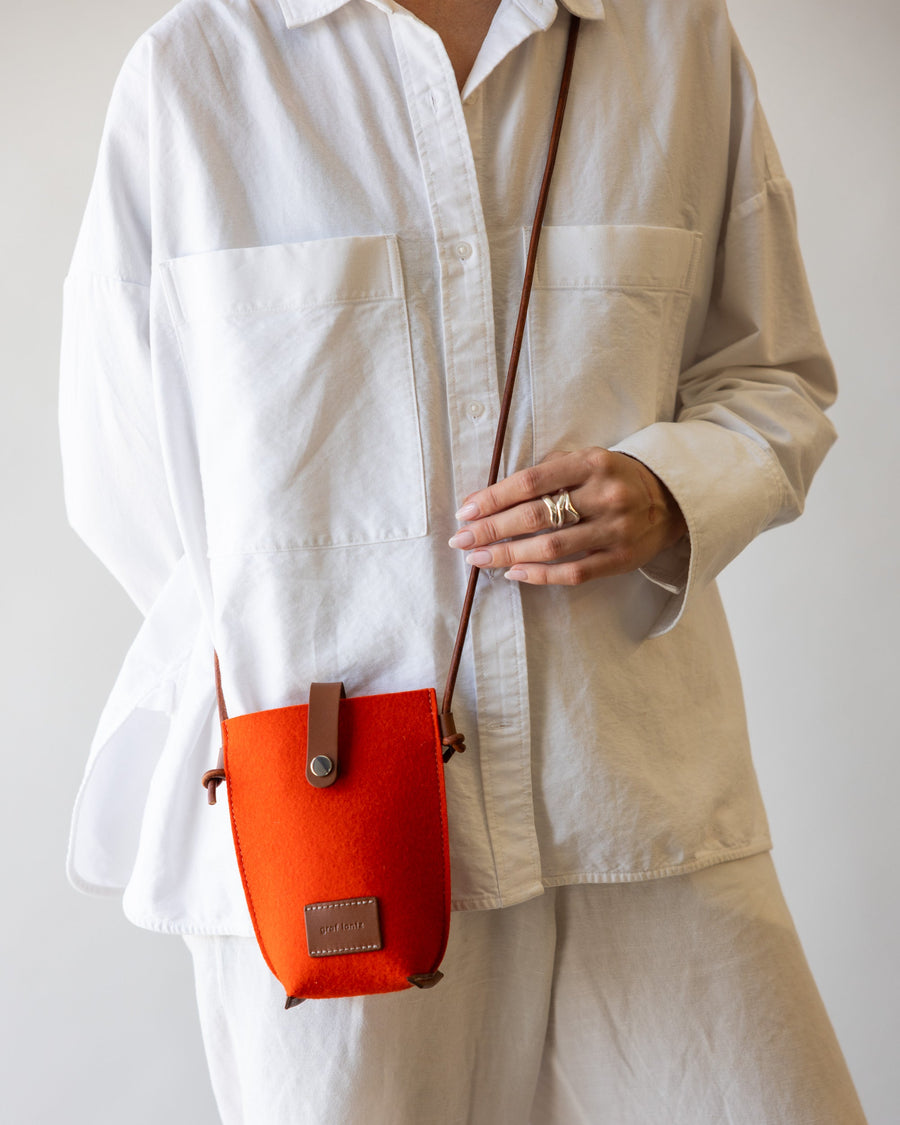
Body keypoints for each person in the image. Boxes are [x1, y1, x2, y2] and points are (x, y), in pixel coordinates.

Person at [60, 0, 869, 1121]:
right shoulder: (196, 74)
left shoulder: (675, 40)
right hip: (336, 831)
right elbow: (127, 475)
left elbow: (774, 378)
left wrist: (670, 490)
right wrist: (309, 620)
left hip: (638, 803)